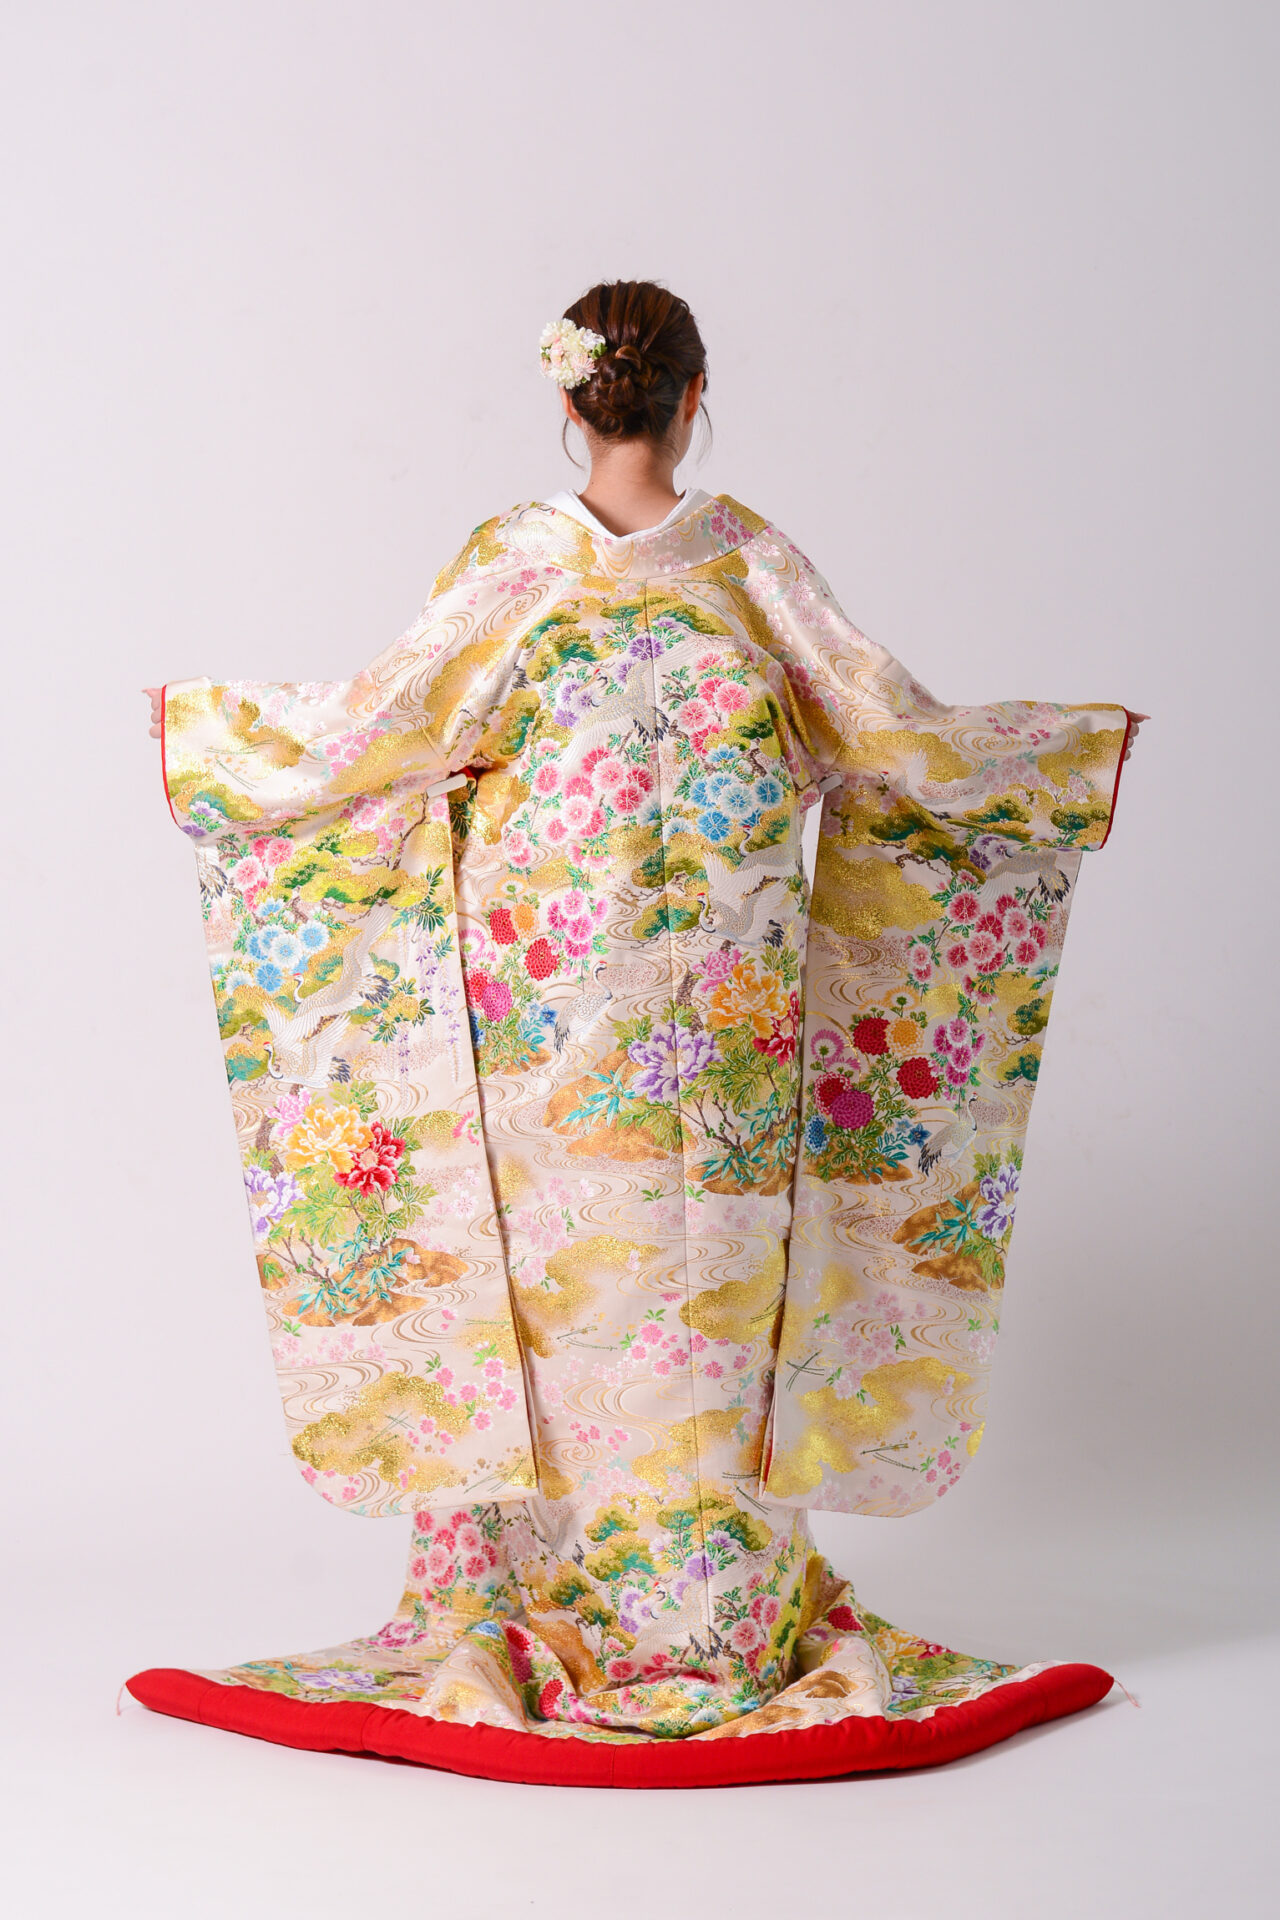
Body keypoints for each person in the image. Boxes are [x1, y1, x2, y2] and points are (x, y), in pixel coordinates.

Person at [132, 280, 1145, 1785]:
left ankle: (663, 1601)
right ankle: (689, 1612)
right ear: (693, 397)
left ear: (569, 399)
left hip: (552, 1007)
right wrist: (1051, 759)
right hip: (715, 1018)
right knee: (670, 1295)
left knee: (618, 1297)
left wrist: (219, 740)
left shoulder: (515, 569)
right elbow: (893, 735)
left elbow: (372, 730)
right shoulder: (749, 568)